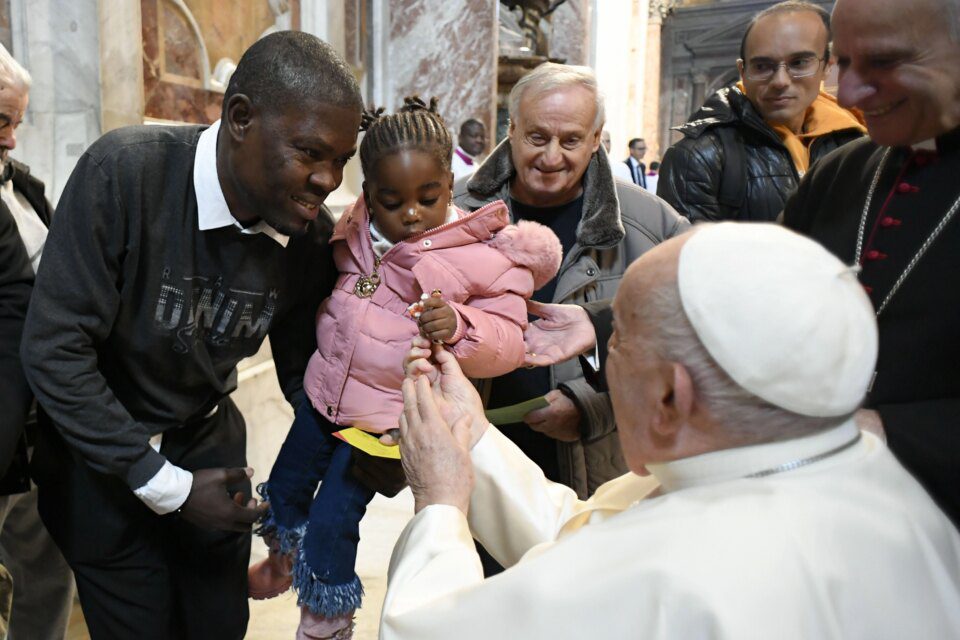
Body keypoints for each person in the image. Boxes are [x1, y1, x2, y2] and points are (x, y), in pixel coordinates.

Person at [380, 223, 960, 639]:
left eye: (618, 340)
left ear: (668, 397)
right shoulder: (881, 480)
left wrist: (438, 506)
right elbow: (585, 544)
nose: (607, 360)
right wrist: (473, 439)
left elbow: (428, 628)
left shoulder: (673, 573)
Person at [19, 32, 359, 639]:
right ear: (240, 118)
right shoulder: (124, 174)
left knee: (218, 622)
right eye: (310, 152)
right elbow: (54, 353)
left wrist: (323, 491)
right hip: (98, 458)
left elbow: (307, 378)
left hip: (207, 449)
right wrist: (166, 485)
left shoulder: (305, 237)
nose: (327, 179)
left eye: (341, 160)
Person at [247, 97, 561, 639]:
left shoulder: (484, 256)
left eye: (428, 198)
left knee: (332, 522)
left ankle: (326, 621)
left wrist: (460, 326)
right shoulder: (353, 234)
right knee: (286, 488)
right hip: (324, 397)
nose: (410, 214)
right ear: (369, 194)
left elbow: (511, 341)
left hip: (381, 426)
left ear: (450, 180)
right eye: (392, 201)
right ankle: (282, 561)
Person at [454, 62, 688, 508]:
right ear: (512, 127)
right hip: (476, 463)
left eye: (572, 140)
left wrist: (592, 407)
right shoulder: (454, 214)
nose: (551, 157)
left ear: (597, 138)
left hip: (591, 469)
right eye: (536, 137)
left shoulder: (653, 226)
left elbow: (684, 349)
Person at [782, 0, 960, 527]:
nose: (849, 93)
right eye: (843, 62)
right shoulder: (843, 171)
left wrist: (888, 433)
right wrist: (602, 323)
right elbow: (755, 288)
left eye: (882, 62)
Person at [658, 1, 865, 223]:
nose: (780, 81)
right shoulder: (697, 157)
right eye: (762, 66)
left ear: (826, 67)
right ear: (743, 71)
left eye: (799, 63)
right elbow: (686, 254)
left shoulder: (854, 144)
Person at [0, 44, 74, 640]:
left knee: (48, 570)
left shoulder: (24, 188)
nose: (12, 140)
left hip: (32, 425)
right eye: (2, 121)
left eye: (18, 122)